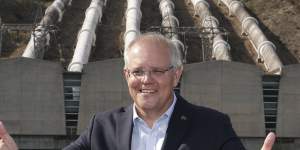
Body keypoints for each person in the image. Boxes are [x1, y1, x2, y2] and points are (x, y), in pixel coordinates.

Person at [0, 32, 275, 150]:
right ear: (126, 75)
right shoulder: (102, 127)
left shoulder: (213, 126)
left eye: (158, 71)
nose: (147, 80)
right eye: (138, 71)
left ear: (177, 74)